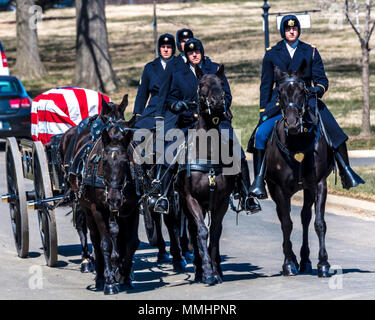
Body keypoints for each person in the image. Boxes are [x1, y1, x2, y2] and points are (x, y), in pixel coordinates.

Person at [247, 15, 364, 199]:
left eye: (294, 28)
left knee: (335, 132)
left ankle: (346, 171)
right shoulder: (272, 53)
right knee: (260, 135)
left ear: (299, 30)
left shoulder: (310, 51)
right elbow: (266, 85)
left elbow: (322, 80)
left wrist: (315, 90)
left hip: (306, 100)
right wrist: (263, 112)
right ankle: (259, 180)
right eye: (287, 29)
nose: (291, 31)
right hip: (280, 103)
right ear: (283, 31)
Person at [156, 38, 261, 214]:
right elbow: (171, 98)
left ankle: (246, 195)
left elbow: (227, 95)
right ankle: (164, 196)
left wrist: (221, 104)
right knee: (170, 153)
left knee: (237, 152)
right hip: (189, 122)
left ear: (202, 52)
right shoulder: (178, 73)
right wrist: (177, 105)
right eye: (190, 53)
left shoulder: (215, 69)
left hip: (218, 122)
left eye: (197, 51)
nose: (194, 55)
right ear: (186, 55)